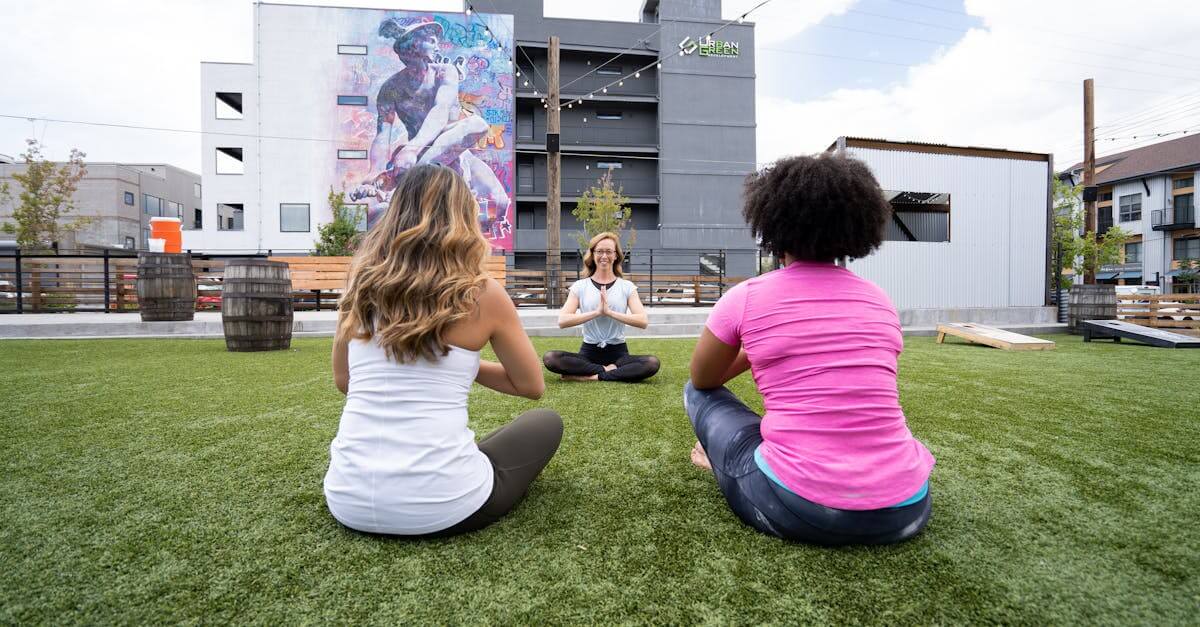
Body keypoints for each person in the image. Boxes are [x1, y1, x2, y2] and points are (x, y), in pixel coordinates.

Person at [684, 153, 935, 545]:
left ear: (771, 225)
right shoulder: (880, 299)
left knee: (695, 394)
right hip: (908, 506)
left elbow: (703, 378)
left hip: (799, 507)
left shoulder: (747, 296)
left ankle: (718, 459)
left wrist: (754, 348)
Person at [325, 164, 561, 537]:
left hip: (346, 498)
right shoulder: (481, 292)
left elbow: (345, 382)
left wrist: (444, 360)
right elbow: (530, 386)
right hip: (447, 506)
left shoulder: (360, 286)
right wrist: (460, 361)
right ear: (463, 215)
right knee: (545, 422)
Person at [352, 18, 510, 238]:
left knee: (500, 198)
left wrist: (413, 148)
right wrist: (375, 171)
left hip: (447, 148)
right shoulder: (391, 89)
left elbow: (440, 110)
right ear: (415, 44)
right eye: (433, 40)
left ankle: (405, 178)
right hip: (420, 156)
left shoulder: (445, 72)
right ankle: (404, 180)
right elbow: (382, 135)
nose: (438, 45)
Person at [541, 232, 661, 383]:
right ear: (592, 254)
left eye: (609, 251)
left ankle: (593, 376)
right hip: (588, 353)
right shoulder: (580, 286)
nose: (604, 256)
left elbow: (642, 321)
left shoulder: (627, 287)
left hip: (618, 354)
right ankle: (609, 372)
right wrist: (597, 312)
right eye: (599, 251)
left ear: (616, 255)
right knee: (551, 358)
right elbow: (563, 321)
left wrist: (610, 313)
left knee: (651, 363)